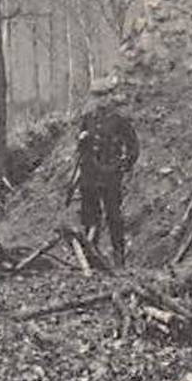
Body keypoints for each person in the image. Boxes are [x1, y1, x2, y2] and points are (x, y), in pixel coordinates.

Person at [73, 76, 139, 266]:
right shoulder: (88, 118)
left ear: (110, 97)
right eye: (97, 96)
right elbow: (80, 146)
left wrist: (124, 165)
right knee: (90, 215)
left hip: (110, 175)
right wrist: (82, 141)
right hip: (90, 174)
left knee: (114, 216)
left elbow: (133, 146)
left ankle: (119, 255)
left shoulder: (119, 119)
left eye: (104, 96)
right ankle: (90, 254)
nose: (100, 100)